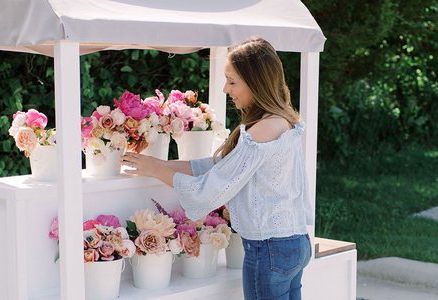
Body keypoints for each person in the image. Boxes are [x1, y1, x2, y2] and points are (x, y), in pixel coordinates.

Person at [121, 37, 313, 300]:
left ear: (256, 81)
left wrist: (156, 170)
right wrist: (159, 164)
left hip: (269, 250)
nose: (225, 89)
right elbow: (214, 167)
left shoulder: (261, 132)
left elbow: (210, 188)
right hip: (294, 243)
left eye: (232, 81)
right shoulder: (283, 121)